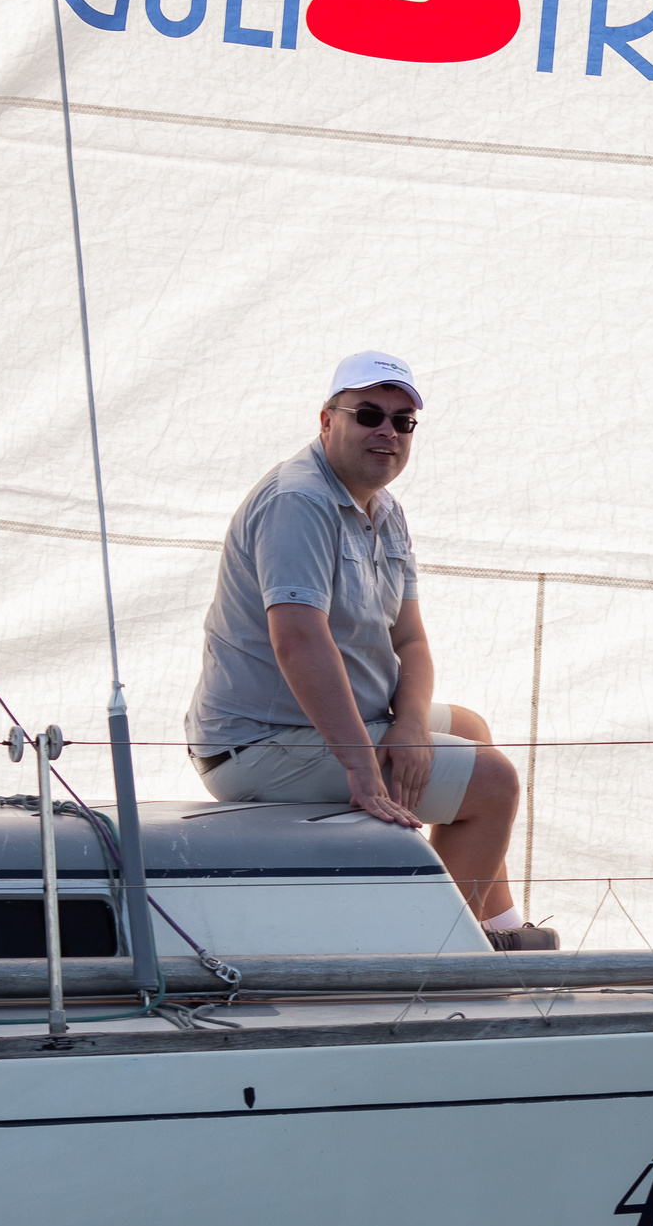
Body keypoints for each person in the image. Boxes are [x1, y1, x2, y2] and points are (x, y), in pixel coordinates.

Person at [183, 350, 553, 950]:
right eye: (369, 414)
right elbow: (298, 640)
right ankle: (435, 957)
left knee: (471, 728)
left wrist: (406, 727)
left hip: (333, 723)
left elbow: (410, 639)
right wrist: (363, 766)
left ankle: (497, 930)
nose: (387, 431)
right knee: (493, 784)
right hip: (260, 742)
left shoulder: (384, 509)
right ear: (327, 421)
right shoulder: (297, 501)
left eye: (402, 421)